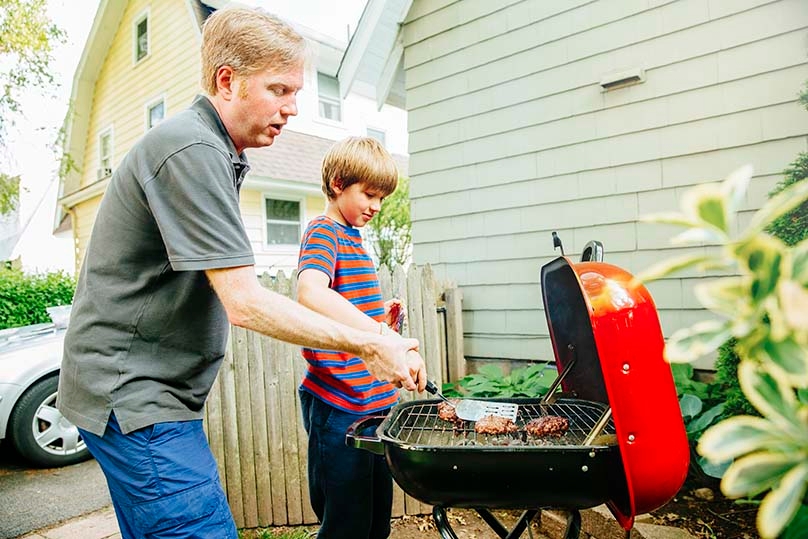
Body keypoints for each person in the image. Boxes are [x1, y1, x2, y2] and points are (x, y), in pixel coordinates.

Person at [56, 8, 426, 539]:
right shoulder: (192, 149)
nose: (293, 108)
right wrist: (371, 344)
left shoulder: (213, 152)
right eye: (279, 89)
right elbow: (245, 302)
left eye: (295, 93)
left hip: (146, 397)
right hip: (134, 396)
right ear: (227, 81)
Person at [296, 136, 412, 539]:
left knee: (377, 518)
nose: (377, 207)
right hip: (340, 405)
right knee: (346, 524)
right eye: (369, 194)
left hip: (377, 404)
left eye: (382, 197)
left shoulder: (354, 239)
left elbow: (354, 321)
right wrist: (379, 330)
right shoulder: (324, 232)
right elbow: (311, 291)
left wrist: (384, 321)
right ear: (338, 184)